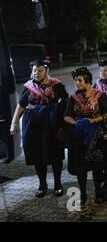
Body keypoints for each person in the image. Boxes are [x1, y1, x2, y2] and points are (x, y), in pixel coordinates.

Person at [10, 60, 68, 198]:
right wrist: (14, 123)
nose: (36, 73)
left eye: (40, 70)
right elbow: (21, 105)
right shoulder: (29, 87)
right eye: (35, 70)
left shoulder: (56, 85)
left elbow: (66, 102)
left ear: (46, 71)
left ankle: (58, 184)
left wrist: (65, 122)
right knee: (37, 155)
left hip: (52, 125)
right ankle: (42, 185)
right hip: (33, 125)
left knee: (55, 154)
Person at [64, 67, 107, 218]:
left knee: (97, 167)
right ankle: (83, 194)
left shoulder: (100, 96)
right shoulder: (73, 98)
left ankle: (98, 192)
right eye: (76, 80)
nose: (77, 83)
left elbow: (106, 115)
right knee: (80, 168)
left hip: (95, 137)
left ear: (88, 82)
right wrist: (75, 123)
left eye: (79, 80)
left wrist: (92, 120)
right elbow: (66, 116)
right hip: (77, 137)